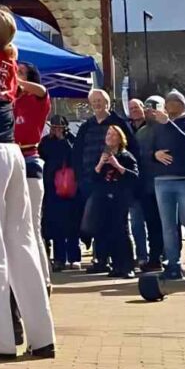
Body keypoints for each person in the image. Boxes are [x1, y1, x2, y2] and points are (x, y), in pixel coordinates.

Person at [0, 7, 55, 359]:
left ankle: (3, 339)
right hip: (15, 153)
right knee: (23, 242)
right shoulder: (7, 57)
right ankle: (42, 334)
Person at [72, 89, 135, 274]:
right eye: (94, 101)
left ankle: (124, 265)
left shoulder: (118, 123)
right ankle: (101, 260)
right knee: (98, 224)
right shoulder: (86, 126)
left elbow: (132, 150)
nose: (97, 104)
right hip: (92, 181)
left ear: (107, 103)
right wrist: (80, 178)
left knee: (119, 226)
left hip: (117, 184)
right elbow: (77, 153)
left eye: (100, 100)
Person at [151, 89, 185, 281]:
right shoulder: (158, 125)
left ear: (182, 105)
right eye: (168, 101)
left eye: (175, 101)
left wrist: (169, 124)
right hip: (161, 181)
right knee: (168, 226)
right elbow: (149, 149)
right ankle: (173, 264)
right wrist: (154, 155)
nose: (171, 105)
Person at [15, 63, 52, 286]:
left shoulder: (35, 99)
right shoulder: (10, 101)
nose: (15, 73)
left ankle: (44, 280)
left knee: (32, 224)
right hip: (10, 158)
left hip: (28, 158)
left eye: (21, 71)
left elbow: (42, 91)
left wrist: (16, 80)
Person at [87, 126, 138, 278]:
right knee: (107, 232)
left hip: (119, 198)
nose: (110, 137)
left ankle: (128, 266)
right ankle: (115, 265)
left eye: (114, 135)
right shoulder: (102, 155)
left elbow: (134, 176)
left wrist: (117, 165)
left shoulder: (126, 156)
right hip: (103, 198)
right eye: (108, 134)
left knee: (122, 232)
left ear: (119, 138)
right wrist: (100, 165)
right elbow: (93, 178)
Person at [39, 116, 82, 271]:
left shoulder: (71, 139)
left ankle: (74, 257)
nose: (56, 130)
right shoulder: (45, 142)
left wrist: (62, 139)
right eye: (54, 127)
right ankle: (59, 258)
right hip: (52, 188)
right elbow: (43, 156)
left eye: (59, 127)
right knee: (56, 225)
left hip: (70, 188)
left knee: (72, 224)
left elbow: (74, 156)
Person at [127, 98, 164, 272]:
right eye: (131, 108)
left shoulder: (166, 128)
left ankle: (167, 257)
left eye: (140, 107)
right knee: (150, 223)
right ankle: (152, 257)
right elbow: (137, 158)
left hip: (164, 182)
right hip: (144, 185)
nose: (149, 111)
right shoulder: (138, 133)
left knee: (168, 224)